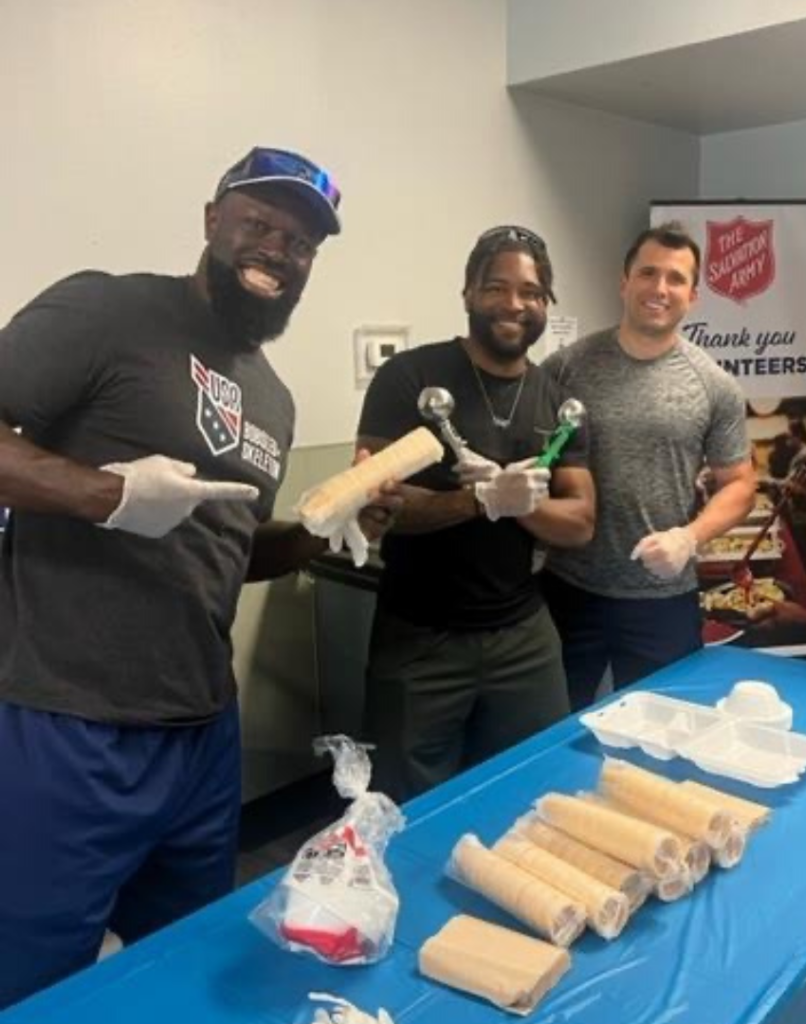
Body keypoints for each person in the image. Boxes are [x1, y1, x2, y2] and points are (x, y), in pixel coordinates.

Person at [0, 146, 387, 1008]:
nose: (279, 251)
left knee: (190, 958)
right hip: (71, 724)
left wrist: (324, 534)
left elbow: (227, 551)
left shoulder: (273, 399)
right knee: (35, 977)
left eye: (301, 243)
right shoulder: (108, 308)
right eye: (261, 223)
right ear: (213, 220)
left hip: (203, 732)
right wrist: (107, 493)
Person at [357, 225, 595, 801]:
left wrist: (519, 504)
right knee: (407, 803)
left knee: (535, 789)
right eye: (496, 287)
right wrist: (479, 500)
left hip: (523, 636)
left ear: (546, 305)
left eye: (532, 292)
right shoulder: (410, 378)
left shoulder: (554, 399)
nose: (514, 304)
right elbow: (376, 504)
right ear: (467, 294)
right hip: (421, 636)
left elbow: (582, 520)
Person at [542, 221, 757, 710]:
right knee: (553, 731)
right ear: (624, 282)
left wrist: (690, 538)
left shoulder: (714, 384)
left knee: (665, 731)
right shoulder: (566, 368)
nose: (660, 289)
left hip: (661, 596)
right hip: (568, 588)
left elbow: (740, 485)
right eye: (648, 273)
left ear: (693, 295)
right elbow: (538, 457)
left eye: (676, 279)